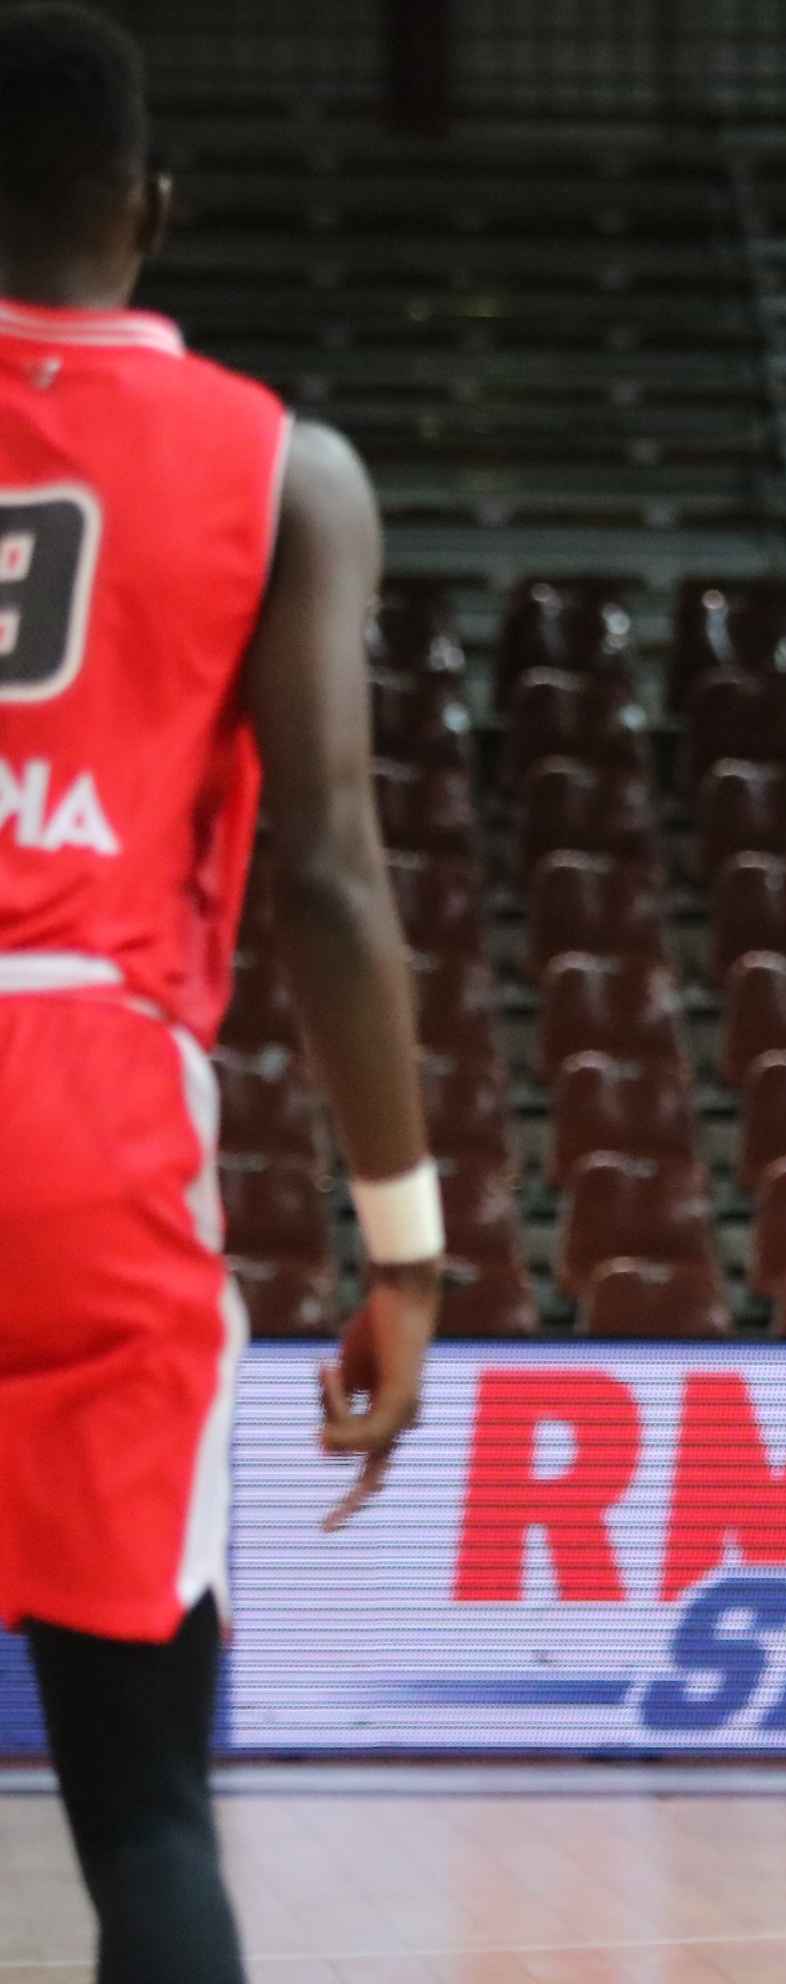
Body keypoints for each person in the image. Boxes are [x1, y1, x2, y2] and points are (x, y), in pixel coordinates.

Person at [0, 8, 439, 1978]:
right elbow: (332, 875)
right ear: (151, 210)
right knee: (147, 1818)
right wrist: (405, 1255)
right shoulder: (290, 468)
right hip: (88, 1097)